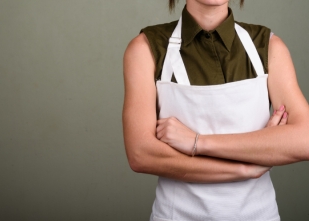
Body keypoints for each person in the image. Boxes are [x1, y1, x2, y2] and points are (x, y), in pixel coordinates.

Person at [122, 0, 309, 220]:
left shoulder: (268, 46)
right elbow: (140, 154)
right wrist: (245, 169)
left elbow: (304, 139)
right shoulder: (145, 48)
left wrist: (197, 142)